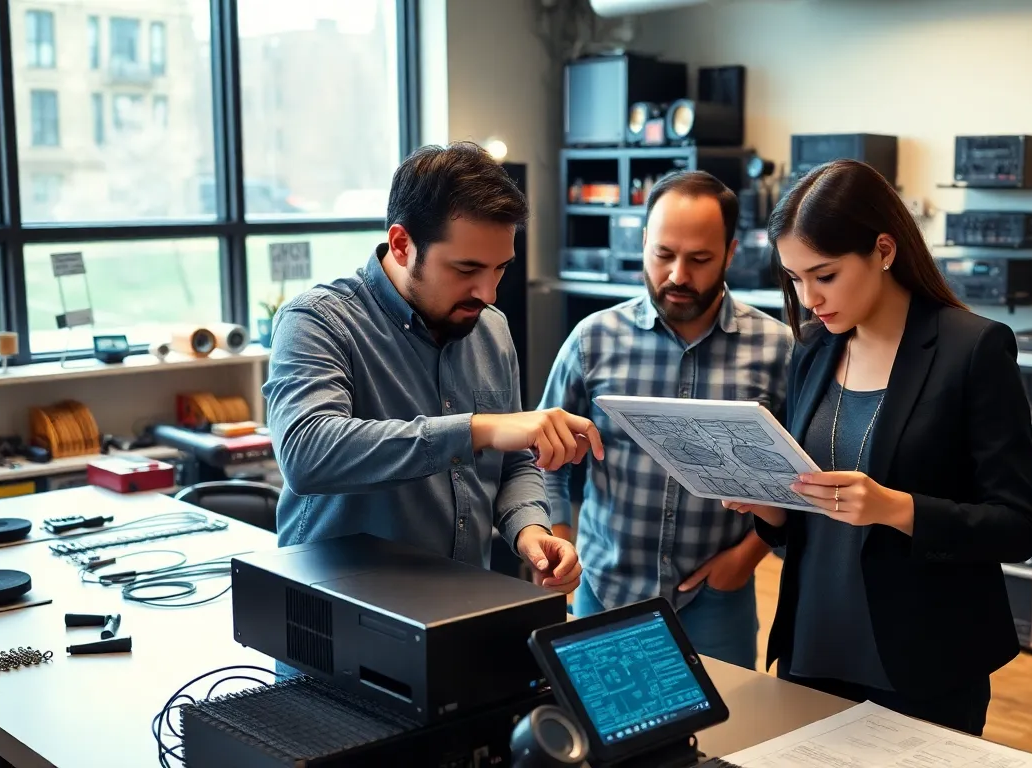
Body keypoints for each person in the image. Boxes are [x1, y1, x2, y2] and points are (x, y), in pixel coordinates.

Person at [725, 159, 1032, 735]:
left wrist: (896, 508)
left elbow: (1017, 526)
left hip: (922, 657)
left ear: (885, 250)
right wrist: (766, 503)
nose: (809, 296)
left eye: (824, 275)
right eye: (794, 279)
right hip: (813, 643)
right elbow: (807, 524)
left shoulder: (973, 349)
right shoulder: (814, 349)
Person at [263, 142, 602, 594]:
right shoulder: (318, 320)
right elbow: (307, 453)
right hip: (338, 617)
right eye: (467, 269)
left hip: (459, 609)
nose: (488, 292)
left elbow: (514, 462)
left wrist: (531, 531)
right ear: (402, 244)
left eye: (500, 269)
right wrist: (478, 429)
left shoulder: (492, 329)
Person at [537, 170, 795, 669]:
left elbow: (800, 481)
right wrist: (559, 539)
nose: (679, 275)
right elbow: (544, 460)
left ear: (730, 252)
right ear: (644, 243)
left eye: (699, 259)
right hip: (605, 589)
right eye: (663, 255)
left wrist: (748, 558)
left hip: (717, 597)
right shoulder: (592, 341)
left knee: (728, 739)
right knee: (607, 735)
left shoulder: (777, 349)